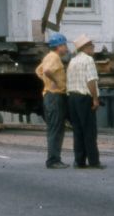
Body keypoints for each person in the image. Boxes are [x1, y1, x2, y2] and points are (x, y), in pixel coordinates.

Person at [66, 35, 103, 170]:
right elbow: (91, 81)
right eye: (92, 46)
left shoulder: (73, 61)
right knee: (89, 130)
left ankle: (79, 161)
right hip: (84, 98)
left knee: (78, 130)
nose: (93, 48)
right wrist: (95, 98)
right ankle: (94, 161)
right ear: (85, 48)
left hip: (72, 98)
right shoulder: (88, 60)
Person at [36, 32, 69, 169]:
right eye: (64, 45)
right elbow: (47, 71)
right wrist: (54, 82)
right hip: (54, 96)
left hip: (50, 95)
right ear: (58, 46)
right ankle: (53, 160)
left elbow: (39, 71)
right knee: (56, 129)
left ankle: (54, 159)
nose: (66, 48)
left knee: (54, 128)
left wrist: (46, 82)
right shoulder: (54, 57)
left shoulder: (48, 57)